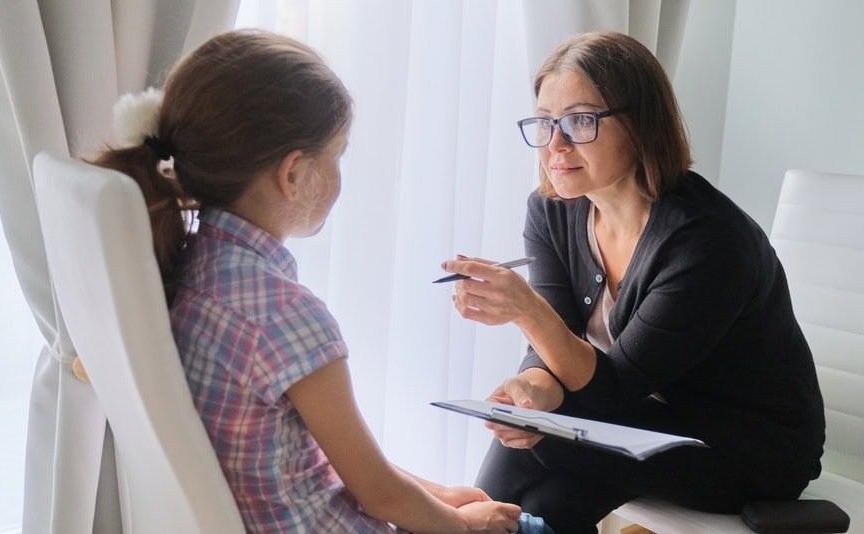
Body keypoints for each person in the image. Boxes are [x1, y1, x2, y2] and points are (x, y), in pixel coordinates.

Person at [90, 29, 544, 534]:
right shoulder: (285, 315)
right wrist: (464, 527)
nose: (341, 172)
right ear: (293, 174)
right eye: (338, 154)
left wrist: (437, 496)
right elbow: (378, 494)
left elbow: (333, 462)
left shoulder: (189, 271)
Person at [439, 31, 825, 533]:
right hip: (640, 423)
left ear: (641, 124)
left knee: (541, 447)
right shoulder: (552, 210)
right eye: (545, 122)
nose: (555, 144)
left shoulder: (707, 240)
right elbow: (560, 348)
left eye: (580, 121)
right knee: (550, 493)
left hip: (747, 447)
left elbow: (608, 390)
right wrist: (530, 392)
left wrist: (526, 310)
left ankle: (448, 525)